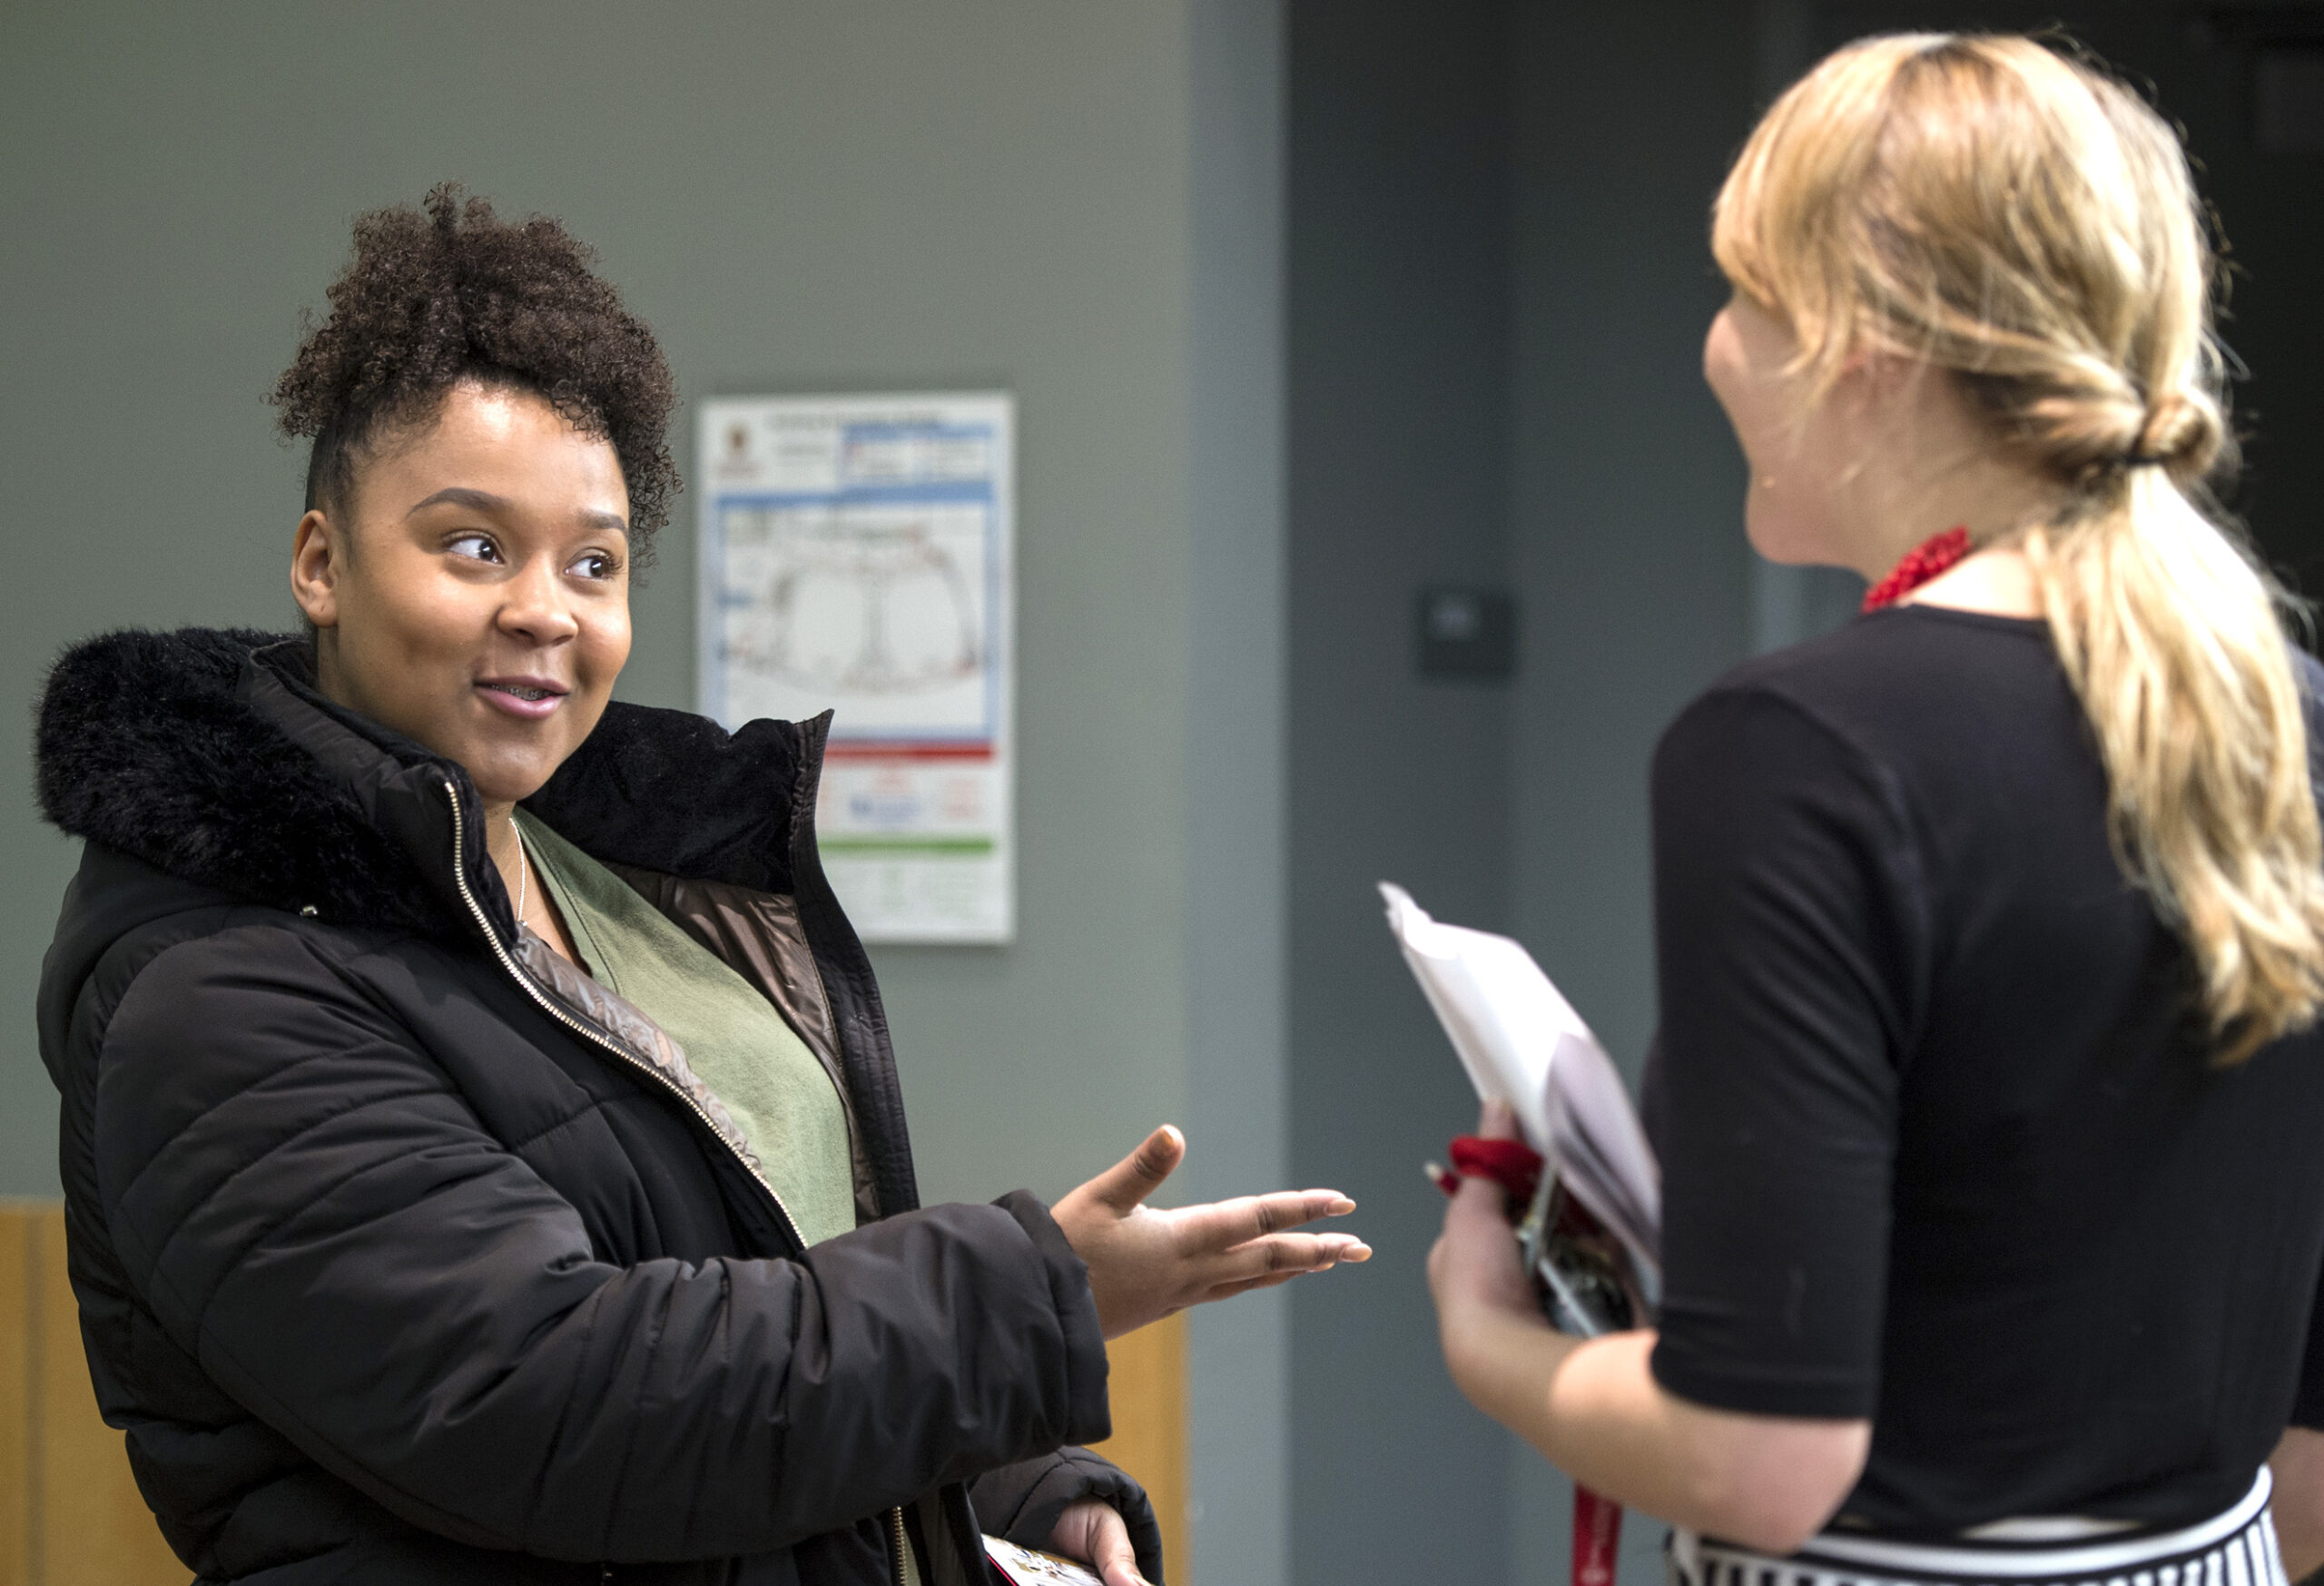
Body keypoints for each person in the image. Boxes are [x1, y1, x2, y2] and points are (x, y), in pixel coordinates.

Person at [34, 185, 1368, 1586]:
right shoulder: (215, 998)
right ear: (322, 563)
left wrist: (1005, 1490)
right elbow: (569, 1407)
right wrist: (1029, 1309)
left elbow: (755, 1270)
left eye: (593, 562)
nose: (546, 607)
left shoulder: (605, 874)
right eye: (474, 544)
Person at [1427, 32, 2324, 1586]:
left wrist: (1485, 1328)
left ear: (1862, 353)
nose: (1712, 344)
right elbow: (2305, 1473)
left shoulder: (1797, 752)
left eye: (1741, 295)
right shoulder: (2288, 714)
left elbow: (1761, 1455)